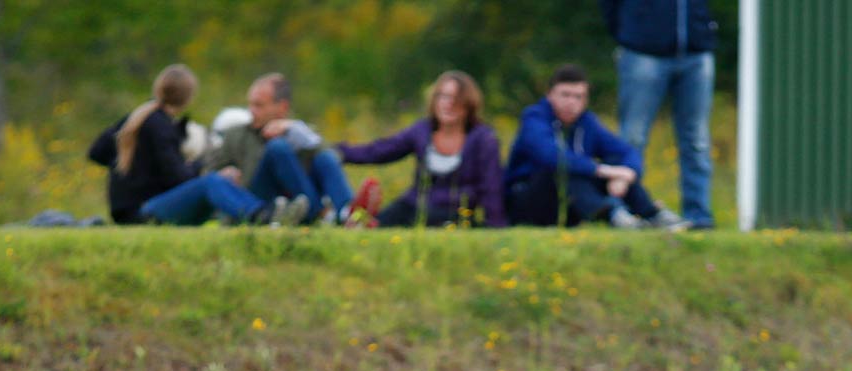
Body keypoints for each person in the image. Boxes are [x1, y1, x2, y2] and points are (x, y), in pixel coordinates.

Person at [503, 65, 687, 230]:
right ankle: (614, 215)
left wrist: (626, 174)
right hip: (530, 200)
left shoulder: (587, 122)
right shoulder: (534, 118)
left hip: (570, 201)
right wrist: (604, 171)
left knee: (615, 162)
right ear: (550, 94)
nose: (571, 102)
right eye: (565, 95)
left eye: (578, 97)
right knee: (565, 167)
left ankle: (651, 214)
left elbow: (626, 151)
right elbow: (551, 156)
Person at [86, 64, 269, 226]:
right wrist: (200, 164)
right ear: (188, 97)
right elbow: (177, 178)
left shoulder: (135, 119)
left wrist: (134, 169)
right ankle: (263, 216)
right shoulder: (161, 127)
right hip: (142, 212)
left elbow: (96, 153)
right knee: (212, 182)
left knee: (216, 182)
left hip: (124, 212)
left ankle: (254, 215)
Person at [334, 70, 506, 228]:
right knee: (379, 225)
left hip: (454, 213)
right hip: (413, 206)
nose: (449, 104)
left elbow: (491, 186)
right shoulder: (421, 131)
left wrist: (496, 225)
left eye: (456, 99)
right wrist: (339, 153)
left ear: (469, 104)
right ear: (435, 100)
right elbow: (383, 150)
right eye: (443, 97)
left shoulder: (484, 139)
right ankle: (350, 215)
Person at [602, 0, 718, 230]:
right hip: (643, 51)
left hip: (696, 51)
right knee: (632, 138)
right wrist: (632, 30)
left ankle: (699, 215)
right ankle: (625, 212)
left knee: (697, 140)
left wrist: (702, 27)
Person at [198, 73, 351, 225]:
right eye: (250, 104)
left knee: (323, 157)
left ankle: (348, 213)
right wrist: (225, 173)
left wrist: (294, 129)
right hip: (256, 200)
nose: (251, 111)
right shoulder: (237, 135)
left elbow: (334, 158)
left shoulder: (298, 133)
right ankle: (319, 214)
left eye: (259, 105)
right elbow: (207, 175)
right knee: (277, 147)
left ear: (282, 107)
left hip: (296, 199)